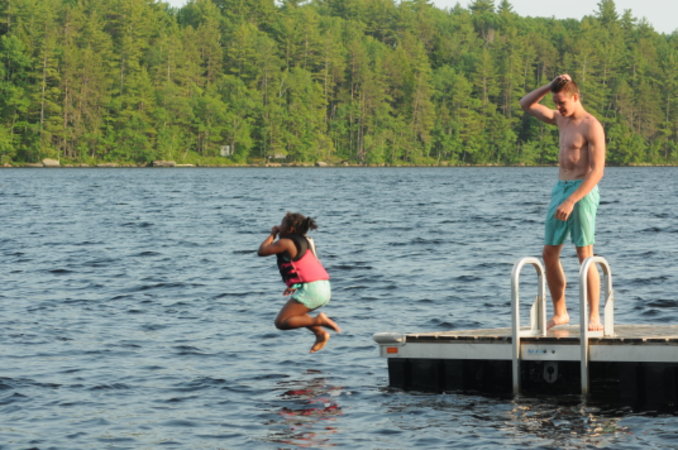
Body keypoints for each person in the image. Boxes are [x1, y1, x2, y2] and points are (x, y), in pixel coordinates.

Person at [519, 74, 606, 331]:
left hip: (582, 190)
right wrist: (550, 86)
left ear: (576, 97)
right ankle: (561, 313)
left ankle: (593, 316)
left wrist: (572, 200)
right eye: (556, 102)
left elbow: (597, 171)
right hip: (561, 188)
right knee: (549, 253)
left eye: (562, 102)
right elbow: (526, 104)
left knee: (584, 253)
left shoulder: (591, 125)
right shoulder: (560, 119)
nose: (558, 107)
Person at [258, 212, 341, 352]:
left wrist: (273, 234)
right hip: (323, 287)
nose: (279, 226)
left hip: (312, 290)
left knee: (281, 322)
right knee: (296, 315)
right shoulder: (306, 241)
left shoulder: (285, 243)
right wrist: (295, 284)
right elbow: (305, 265)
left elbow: (262, 251)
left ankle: (318, 321)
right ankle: (320, 334)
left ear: (290, 229)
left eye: (282, 224)